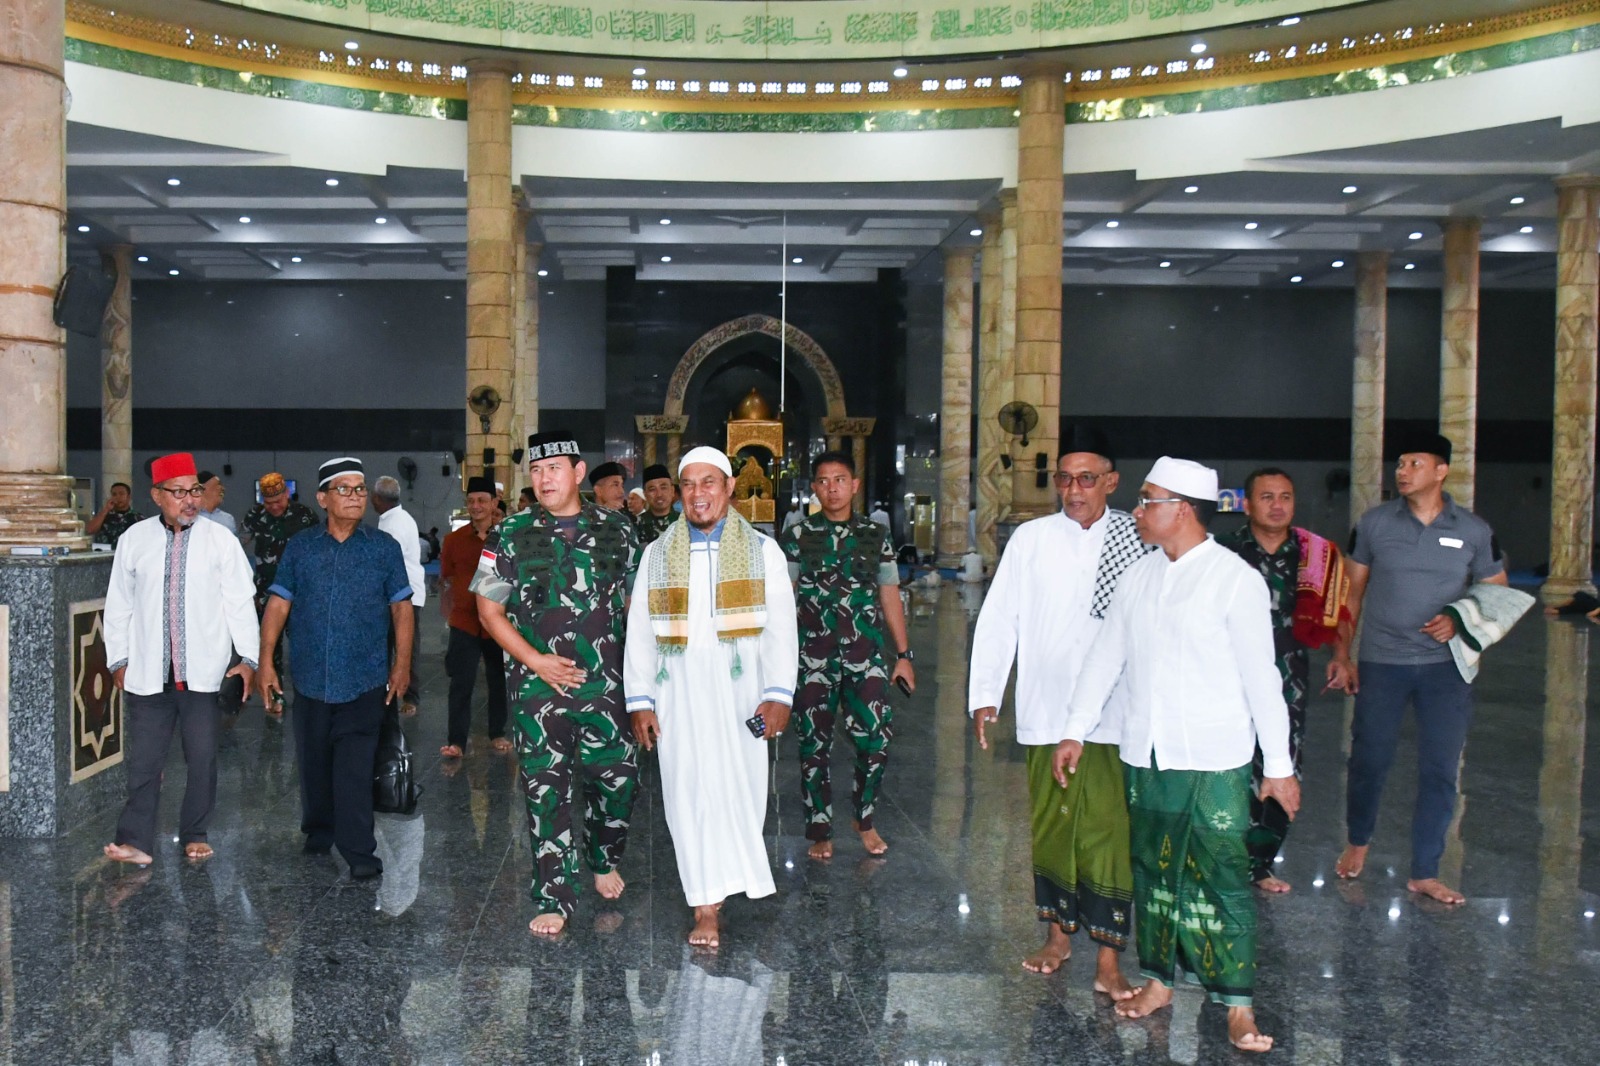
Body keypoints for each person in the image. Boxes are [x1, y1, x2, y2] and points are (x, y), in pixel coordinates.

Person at [1054, 456, 1297, 1054]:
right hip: (1147, 753)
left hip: (1214, 756)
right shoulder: (1138, 576)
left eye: (1147, 500)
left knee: (1220, 877)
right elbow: (1105, 657)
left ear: (1182, 510)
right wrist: (1075, 730)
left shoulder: (1232, 579)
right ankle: (1160, 981)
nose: (1136, 511)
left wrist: (1280, 768)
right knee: (1154, 871)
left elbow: (1262, 678)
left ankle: (1237, 1005)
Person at [968, 426, 1152, 991]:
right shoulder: (1031, 538)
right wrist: (984, 696)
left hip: (1115, 715)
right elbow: (1001, 619)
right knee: (1052, 825)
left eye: (1087, 479)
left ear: (1111, 482)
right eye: (1065, 479)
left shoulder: (1136, 538)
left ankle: (1107, 961)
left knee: (1106, 831)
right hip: (1047, 709)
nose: (1074, 489)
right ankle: (1056, 935)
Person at [624, 446, 798, 949]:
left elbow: (781, 632)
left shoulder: (763, 552)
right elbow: (640, 633)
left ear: (729, 489)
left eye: (709, 484)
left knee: (739, 793)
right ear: (679, 495)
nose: (699, 495)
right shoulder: (658, 555)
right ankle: (705, 905)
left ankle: (723, 889)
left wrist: (778, 694)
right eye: (690, 486)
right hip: (677, 696)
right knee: (687, 798)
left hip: (742, 696)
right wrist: (641, 700)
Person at [471, 431, 643, 936]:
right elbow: (488, 609)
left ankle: (602, 855)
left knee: (617, 783)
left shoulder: (619, 529)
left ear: (578, 472)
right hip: (537, 688)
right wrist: (536, 661)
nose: (544, 479)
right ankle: (553, 895)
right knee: (547, 791)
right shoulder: (509, 533)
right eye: (537, 472)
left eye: (554, 469)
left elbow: (639, 605)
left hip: (608, 687)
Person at [1333, 432, 1506, 906]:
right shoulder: (1373, 524)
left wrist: (1459, 619)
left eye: (1415, 463)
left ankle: (1426, 871)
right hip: (1382, 662)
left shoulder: (1472, 530)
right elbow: (1351, 595)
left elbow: (1498, 594)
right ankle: (1358, 840)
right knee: (1369, 760)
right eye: (1400, 462)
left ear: (1441, 471)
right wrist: (1342, 654)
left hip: (1446, 669)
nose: (1402, 470)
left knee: (1440, 768)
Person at [257, 457, 413, 880]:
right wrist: (265, 660)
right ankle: (319, 830)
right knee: (313, 761)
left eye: (360, 489)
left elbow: (401, 608)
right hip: (309, 676)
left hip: (365, 678)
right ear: (323, 498)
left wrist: (402, 665)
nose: (356, 497)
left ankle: (360, 850)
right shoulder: (302, 548)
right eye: (344, 489)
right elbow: (279, 602)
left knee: (354, 765)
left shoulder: (383, 549)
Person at [102, 452, 259, 866]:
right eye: (179, 492)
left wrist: (248, 660)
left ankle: (195, 831)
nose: (190, 500)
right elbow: (118, 604)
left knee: (203, 756)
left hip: (203, 672)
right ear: (157, 495)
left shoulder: (220, 540)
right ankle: (136, 841)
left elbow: (240, 602)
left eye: (195, 491)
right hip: (147, 671)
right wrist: (117, 659)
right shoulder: (133, 540)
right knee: (145, 762)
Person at [1217, 468, 1352, 893]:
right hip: (1227, 674)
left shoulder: (1316, 554)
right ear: (1247, 503)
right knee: (1230, 763)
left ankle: (1259, 863)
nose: (1278, 505)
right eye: (1267, 496)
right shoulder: (1223, 552)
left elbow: (1338, 612)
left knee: (1281, 763)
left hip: (1287, 673)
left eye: (1286, 497)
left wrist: (1342, 656)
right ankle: (1222, 858)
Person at [779, 450, 913, 860]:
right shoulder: (799, 536)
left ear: (854, 485)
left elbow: (890, 592)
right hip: (812, 659)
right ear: (814, 489)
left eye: (840, 479)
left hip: (865, 655)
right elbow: (784, 597)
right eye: (823, 481)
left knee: (876, 740)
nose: (832, 487)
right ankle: (820, 829)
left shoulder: (876, 536)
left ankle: (864, 818)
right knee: (812, 747)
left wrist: (904, 654)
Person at [438, 475, 509, 758]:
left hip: (498, 623)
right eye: (471, 501)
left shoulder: (506, 538)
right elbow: (446, 577)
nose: (476, 506)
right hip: (464, 622)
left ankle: (498, 733)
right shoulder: (454, 540)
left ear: (494, 503)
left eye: (482, 500)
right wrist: (450, 612)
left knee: (498, 680)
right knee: (461, 683)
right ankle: (456, 741)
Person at [371, 475, 426, 716]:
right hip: (403, 593)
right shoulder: (398, 518)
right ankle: (392, 691)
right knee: (398, 645)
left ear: (377, 499)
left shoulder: (393, 524)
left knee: (405, 646)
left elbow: (385, 564)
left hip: (404, 596)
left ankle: (409, 696)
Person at [87, 481, 143, 549]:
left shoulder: (138, 518)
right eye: (114, 494)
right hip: (106, 556)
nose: (118, 497)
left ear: (128, 497)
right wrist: (106, 510)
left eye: (121, 494)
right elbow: (90, 530)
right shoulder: (104, 516)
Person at [636, 463, 677, 547]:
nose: (659, 494)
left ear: (672, 491)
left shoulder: (684, 522)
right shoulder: (635, 525)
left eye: (663, 487)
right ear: (645, 494)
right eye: (652, 489)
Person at [194, 470, 237, 535]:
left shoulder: (228, 519)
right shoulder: (189, 517)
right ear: (202, 489)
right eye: (218, 484)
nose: (223, 488)